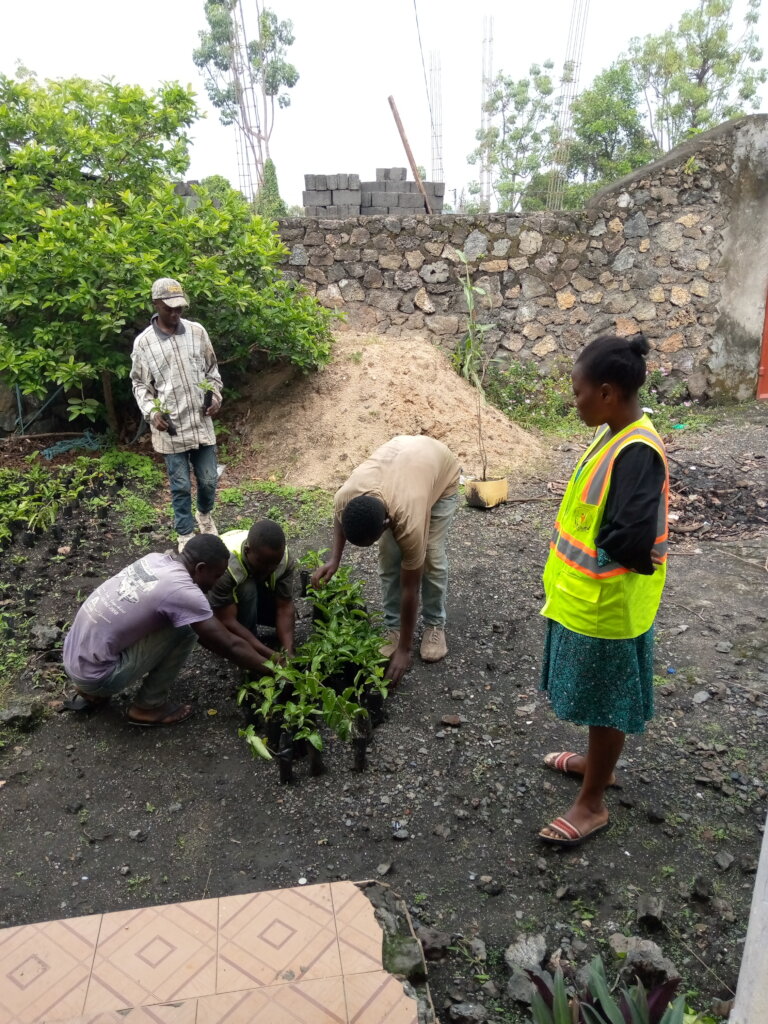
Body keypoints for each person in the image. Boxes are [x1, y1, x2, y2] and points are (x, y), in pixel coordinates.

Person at [538, 333, 669, 848]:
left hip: (608, 606)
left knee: (606, 700)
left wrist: (622, 552)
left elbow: (632, 537)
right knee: (595, 696)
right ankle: (597, 765)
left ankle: (592, 803)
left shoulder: (636, 451)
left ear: (609, 393)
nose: (575, 402)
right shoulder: (615, 433)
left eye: (578, 392)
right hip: (585, 599)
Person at [62, 535, 279, 726]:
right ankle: (147, 706)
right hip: (96, 676)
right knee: (187, 628)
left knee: (172, 619)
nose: (215, 585)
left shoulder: (154, 559)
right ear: (200, 568)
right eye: (215, 576)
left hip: (73, 658)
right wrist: (275, 670)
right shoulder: (184, 592)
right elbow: (228, 644)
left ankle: (91, 690)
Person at [312, 435, 460, 685]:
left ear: (386, 524)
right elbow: (340, 517)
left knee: (431, 559)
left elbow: (410, 587)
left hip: (439, 474)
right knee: (389, 556)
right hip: (403, 461)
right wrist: (334, 559)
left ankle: (434, 625)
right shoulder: (346, 495)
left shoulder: (408, 516)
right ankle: (393, 627)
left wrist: (405, 650)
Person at [131, 278, 223, 552]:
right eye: (169, 308)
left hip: (200, 424)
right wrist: (152, 413)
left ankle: (204, 515)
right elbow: (139, 384)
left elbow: (212, 371)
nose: (175, 313)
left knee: (208, 479)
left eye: (179, 308)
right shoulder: (144, 344)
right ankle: (184, 533)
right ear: (156, 304)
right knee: (180, 485)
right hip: (171, 428)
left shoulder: (197, 333)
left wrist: (215, 397)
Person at [209, 520, 297, 666]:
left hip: (255, 583)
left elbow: (285, 606)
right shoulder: (225, 566)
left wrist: (289, 653)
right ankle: (249, 642)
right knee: (247, 588)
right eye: (264, 562)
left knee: (286, 616)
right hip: (219, 603)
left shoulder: (284, 558)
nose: (270, 568)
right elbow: (227, 620)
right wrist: (268, 655)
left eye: (275, 562)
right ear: (248, 550)